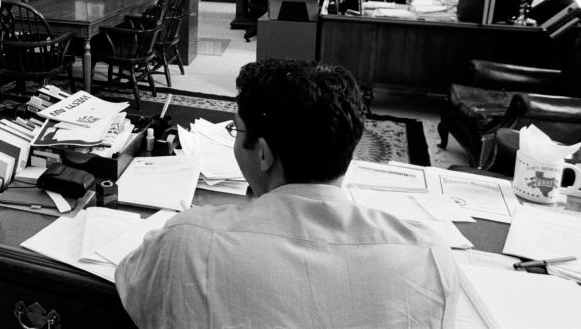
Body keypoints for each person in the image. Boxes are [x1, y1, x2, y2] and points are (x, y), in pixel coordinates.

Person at [115, 58, 459, 328]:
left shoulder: (188, 240)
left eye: (236, 128)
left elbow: (132, 283)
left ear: (263, 154)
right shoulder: (429, 255)